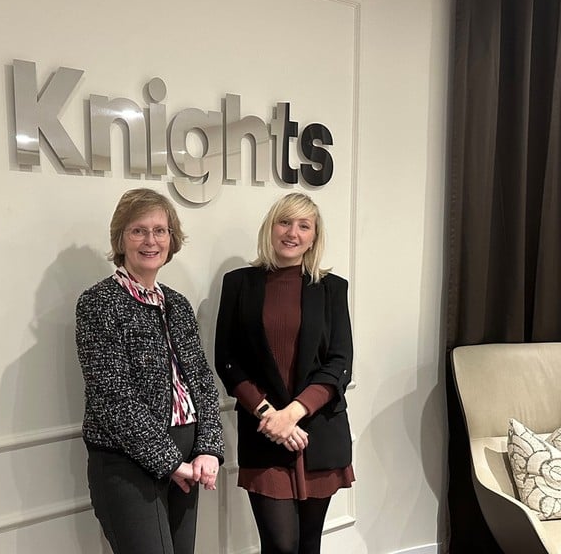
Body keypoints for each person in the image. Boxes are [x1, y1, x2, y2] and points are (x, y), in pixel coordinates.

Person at [76, 188, 225, 554]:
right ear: (121, 238)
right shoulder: (99, 303)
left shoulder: (177, 304)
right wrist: (169, 461)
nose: (150, 240)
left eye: (160, 230)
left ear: (171, 239)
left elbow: (202, 382)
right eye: (138, 230)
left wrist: (208, 448)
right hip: (126, 464)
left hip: (188, 458)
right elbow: (113, 397)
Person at [214, 192, 355, 554]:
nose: (293, 233)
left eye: (304, 226)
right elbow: (227, 360)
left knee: (308, 545)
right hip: (264, 433)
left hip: (319, 433)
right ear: (271, 227)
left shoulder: (332, 289)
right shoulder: (239, 284)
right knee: (280, 545)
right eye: (285, 222)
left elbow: (339, 362)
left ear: (314, 236)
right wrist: (269, 416)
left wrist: (292, 414)